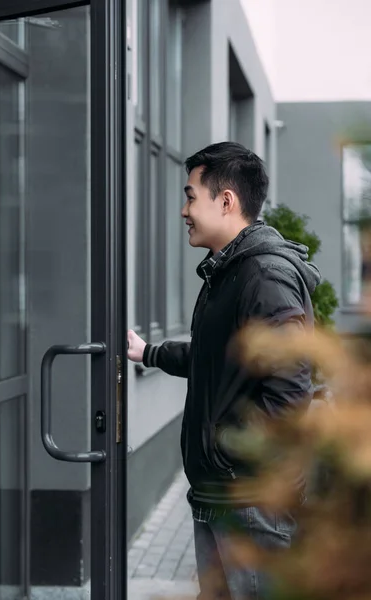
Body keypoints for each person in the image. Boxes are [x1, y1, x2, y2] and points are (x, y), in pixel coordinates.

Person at [127, 141, 320, 599]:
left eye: (191, 195)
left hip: (247, 503)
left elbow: (290, 392)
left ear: (226, 200)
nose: (184, 210)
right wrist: (149, 353)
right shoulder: (230, 273)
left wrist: (238, 464)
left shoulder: (264, 276)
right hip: (223, 498)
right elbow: (213, 357)